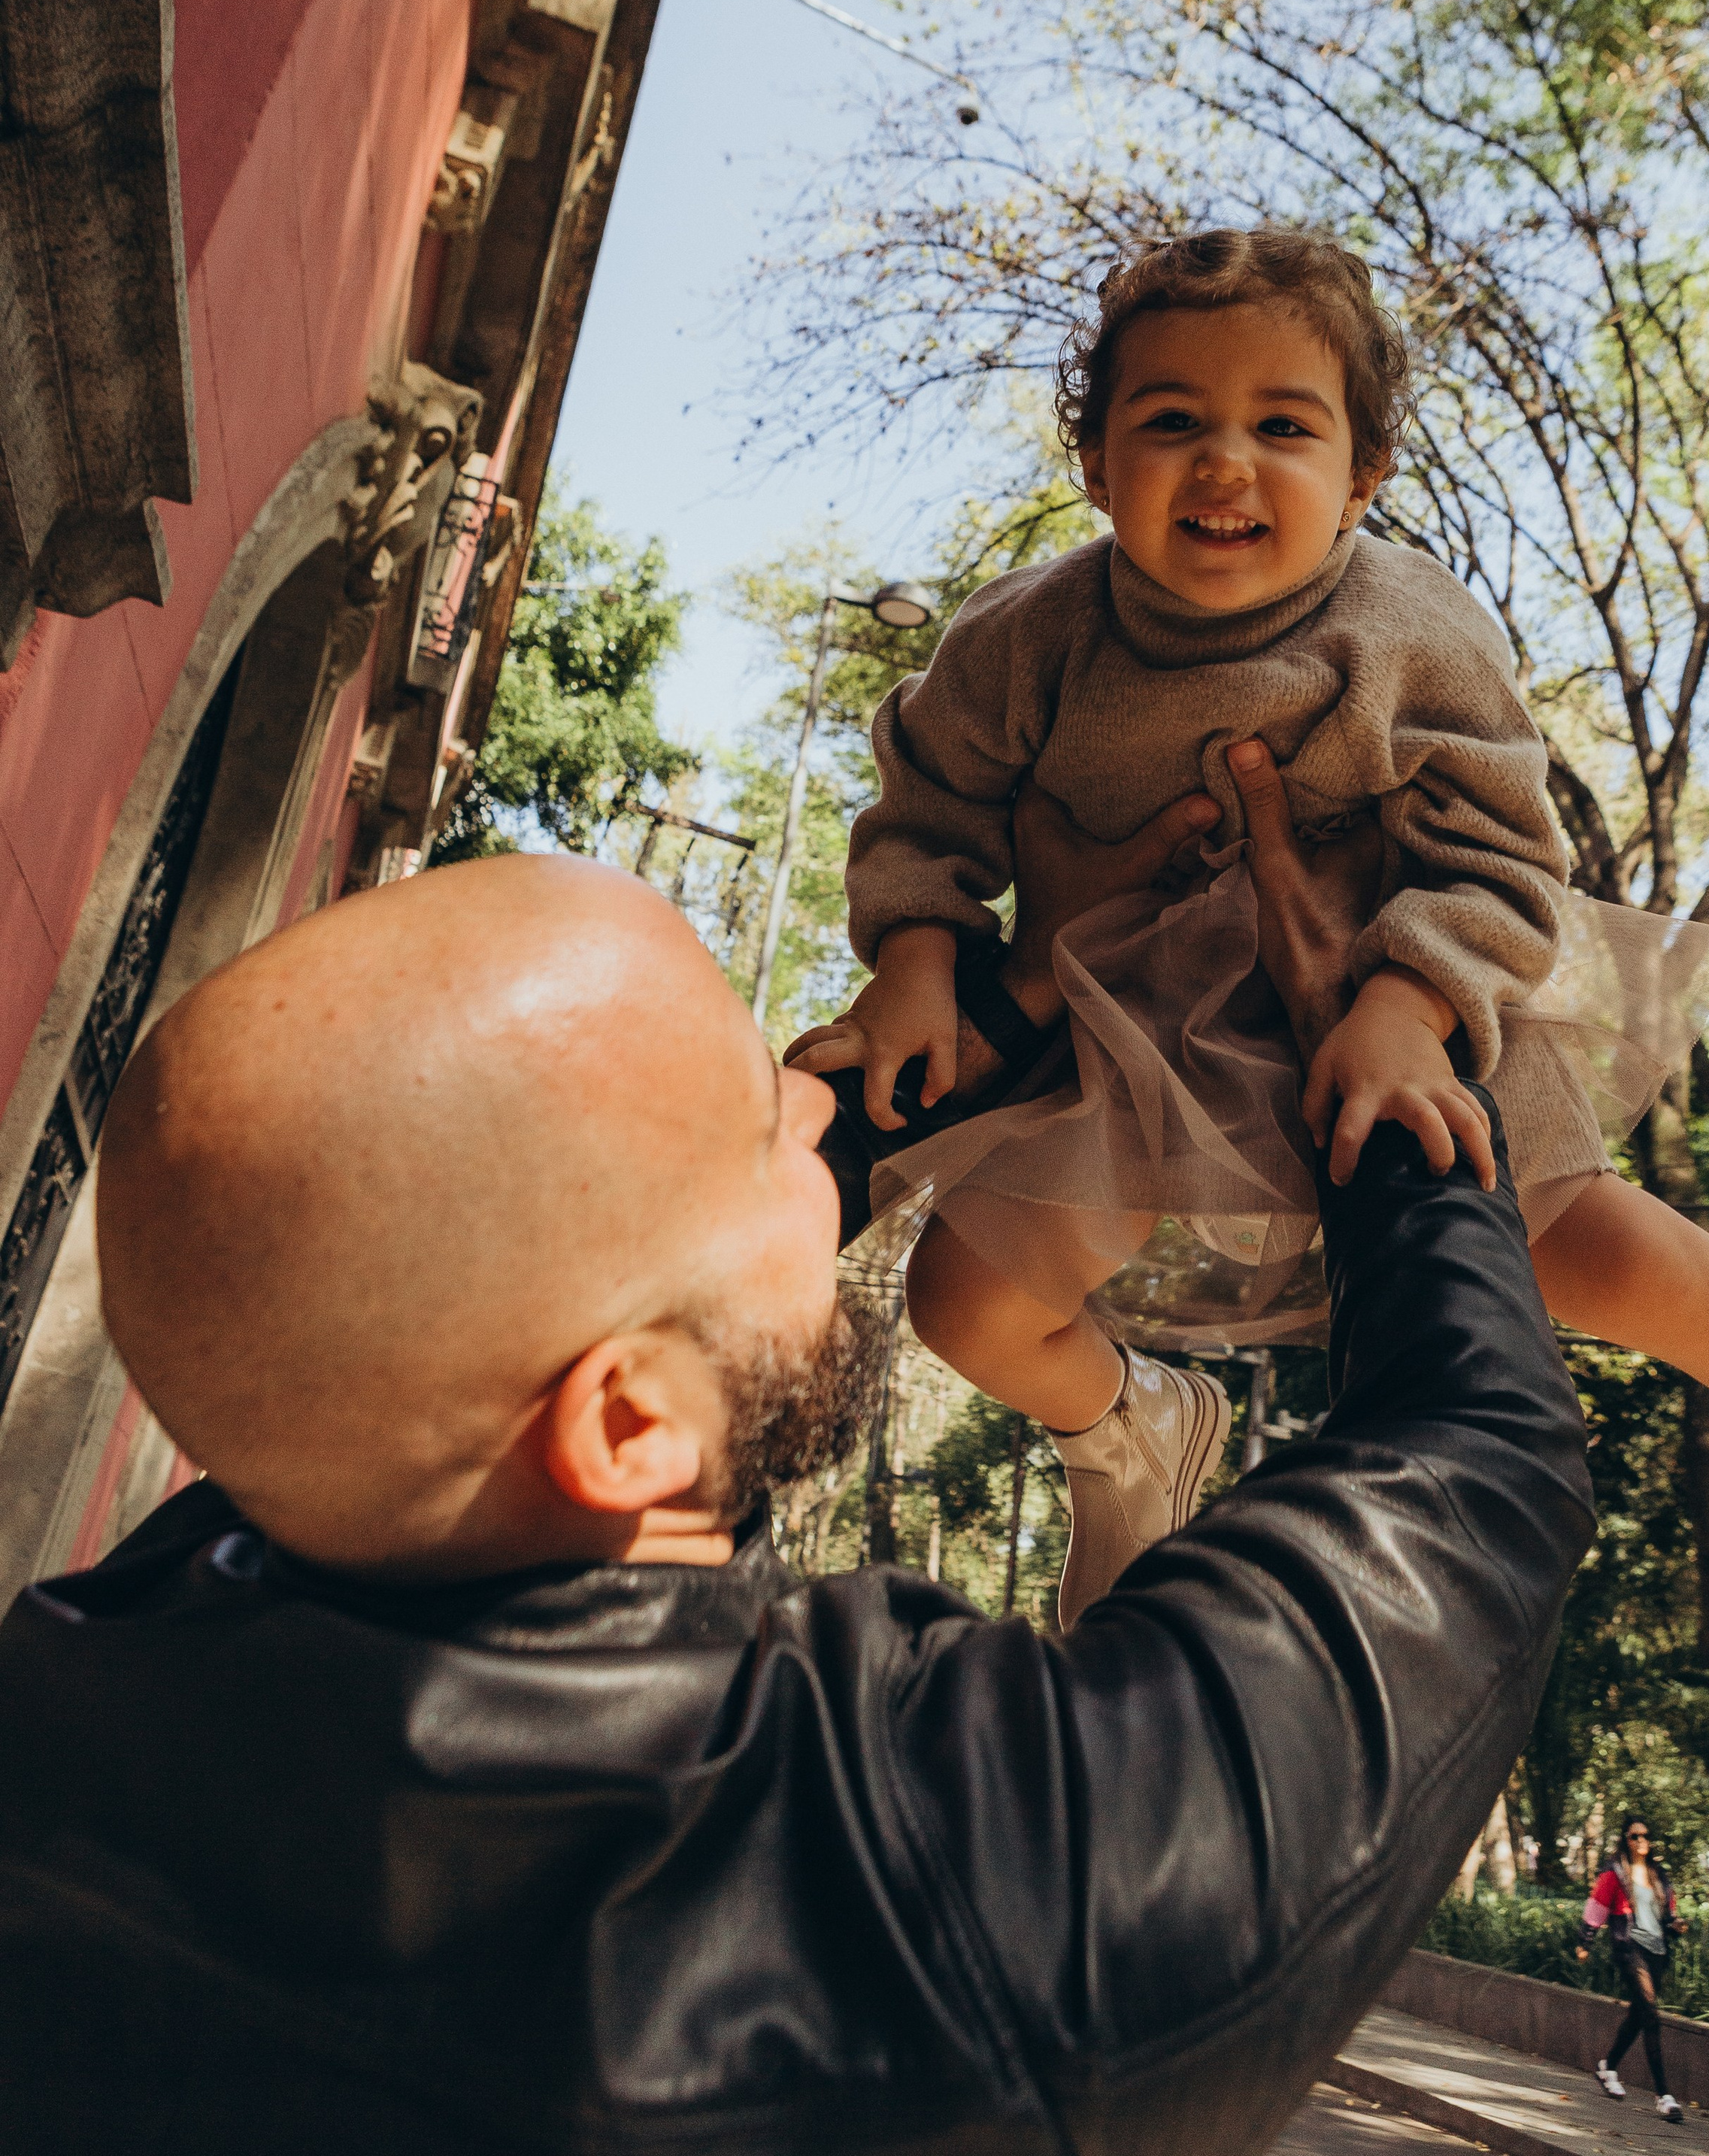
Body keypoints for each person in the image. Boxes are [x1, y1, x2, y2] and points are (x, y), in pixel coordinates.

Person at [0, 799, 1592, 2151]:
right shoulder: (966, 1909)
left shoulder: (93, 1682)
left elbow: (579, 1322)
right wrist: (1383, 1083)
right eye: (771, 1124)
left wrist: (1021, 993)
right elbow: (1473, 1466)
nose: (823, 1107)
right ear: (627, 1431)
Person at [792, 227, 1709, 1630]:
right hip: (1134, 1030)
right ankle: (1128, 1429)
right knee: (963, 1301)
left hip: (1393, 999)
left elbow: (1503, 847)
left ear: (1361, 476)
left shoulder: (1409, 627)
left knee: (1602, 1253)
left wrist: (1409, 1005)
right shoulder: (1027, 636)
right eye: (1170, 422)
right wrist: (913, 954)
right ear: (1094, 467)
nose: (1225, 461)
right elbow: (931, 800)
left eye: (1283, 424)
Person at [1580, 1817, 1687, 2122]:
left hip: (1657, 1951)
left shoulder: (1659, 1875)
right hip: (1630, 1948)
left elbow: (1667, 1913)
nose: (1641, 1840)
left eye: (1645, 1835)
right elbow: (1597, 1906)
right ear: (1625, 1840)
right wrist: (1585, 1941)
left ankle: (1608, 2066)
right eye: (1634, 1836)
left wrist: (1676, 1924)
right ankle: (1664, 2096)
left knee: (1639, 2015)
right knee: (1651, 2013)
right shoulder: (1615, 1872)